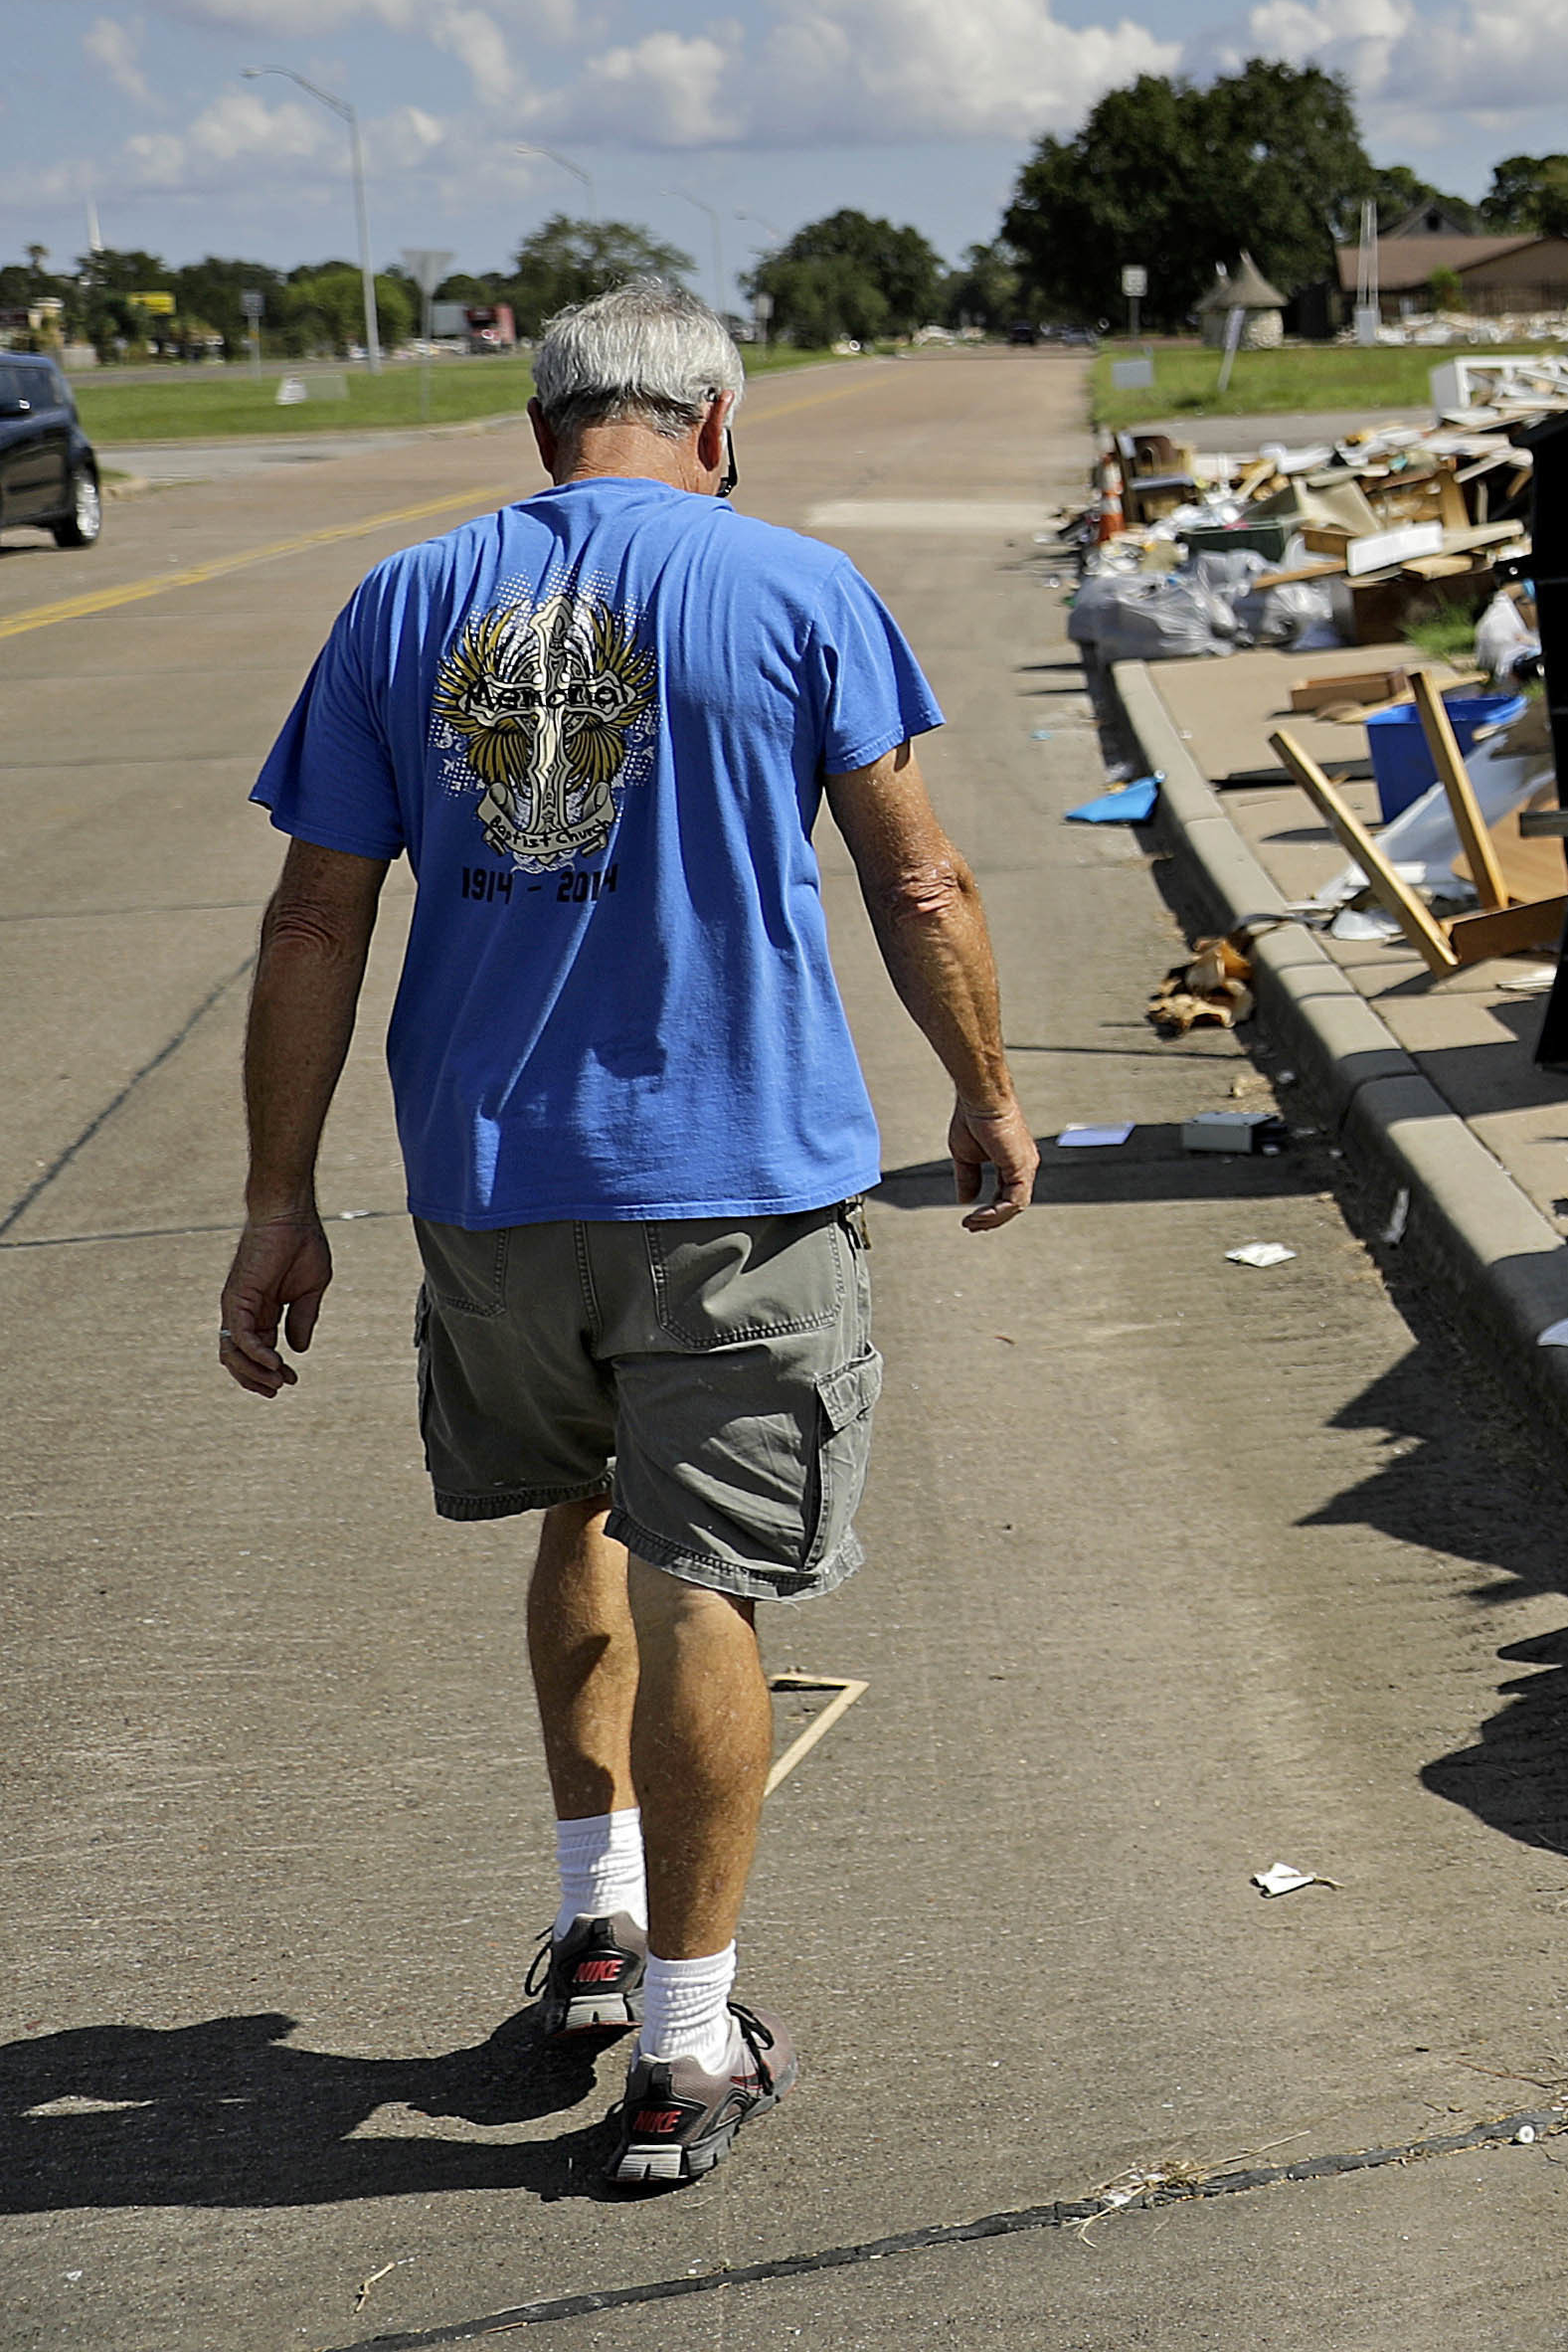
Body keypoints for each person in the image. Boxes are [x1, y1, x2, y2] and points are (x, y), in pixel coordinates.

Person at [219, 278, 1039, 2195]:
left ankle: (597, 1929)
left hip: (495, 1194)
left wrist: (279, 1201)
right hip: (739, 1185)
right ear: (717, 425)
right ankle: (684, 2038)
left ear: (542, 434)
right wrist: (988, 1091)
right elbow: (917, 871)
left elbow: (310, 926)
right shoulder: (796, 589)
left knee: (574, 1516)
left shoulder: (401, 605)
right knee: (706, 1586)